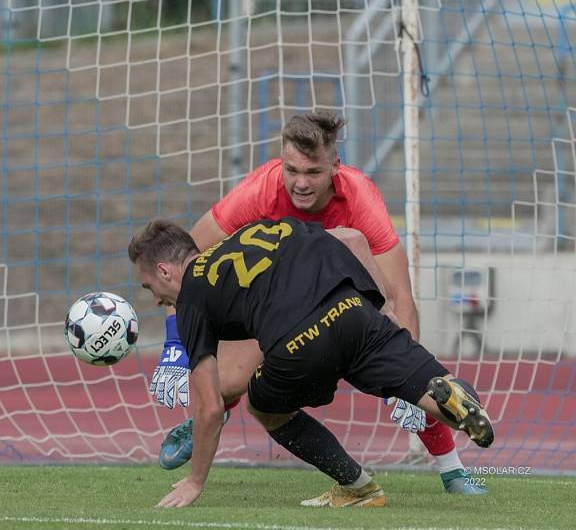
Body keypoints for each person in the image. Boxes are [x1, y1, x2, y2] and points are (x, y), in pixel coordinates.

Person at [151, 112, 484, 494]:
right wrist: (176, 344)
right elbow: (187, 267)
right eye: (291, 170)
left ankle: (451, 469)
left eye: (313, 172)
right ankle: (208, 420)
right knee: (225, 383)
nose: (300, 183)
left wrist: (409, 378)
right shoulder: (259, 191)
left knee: (413, 377)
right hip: (274, 307)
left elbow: (398, 296)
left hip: (343, 297)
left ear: (335, 167)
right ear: (280, 162)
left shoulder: (359, 199)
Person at [129, 217, 494, 508]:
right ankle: (462, 404)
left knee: (264, 406)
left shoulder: (191, 294)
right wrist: (381, 311)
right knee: (427, 387)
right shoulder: (265, 228)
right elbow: (346, 241)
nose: (158, 299)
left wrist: (195, 481)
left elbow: (209, 407)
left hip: (298, 343)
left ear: (165, 271)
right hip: (355, 310)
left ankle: (357, 487)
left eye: (150, 288)